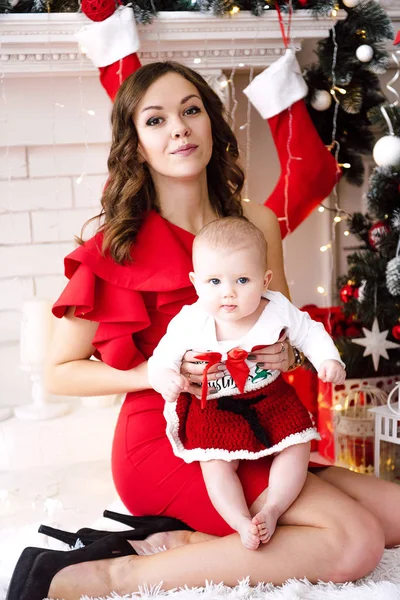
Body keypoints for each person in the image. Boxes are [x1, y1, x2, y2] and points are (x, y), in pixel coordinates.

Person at [7, 61, 400, 600]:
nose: (179, 128)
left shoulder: (256, 224)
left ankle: (186, 543)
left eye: (190, 110)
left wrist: (291, 357)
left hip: (260, 421)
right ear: (135, 144)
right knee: (355, 543)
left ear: (210, 122)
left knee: (394, 517)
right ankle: (103, 577)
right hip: (170, 440)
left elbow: (279, 327)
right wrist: (160, 373)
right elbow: (60, 373)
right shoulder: (115, 246)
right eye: (156, 120)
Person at [148, 216, 346, 551]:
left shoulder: (277, 308)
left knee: (297, 444)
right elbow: (160, 359)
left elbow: (310, 331)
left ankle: (273, 508)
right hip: (215, 405)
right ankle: (240, 520)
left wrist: (328, 359)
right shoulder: (190, 321)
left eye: (242, 279)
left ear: (264, 279)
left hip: (270, 398)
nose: (228, 293)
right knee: (216, 464)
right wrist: (167, 377)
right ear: (196, 282)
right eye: (214, 282)